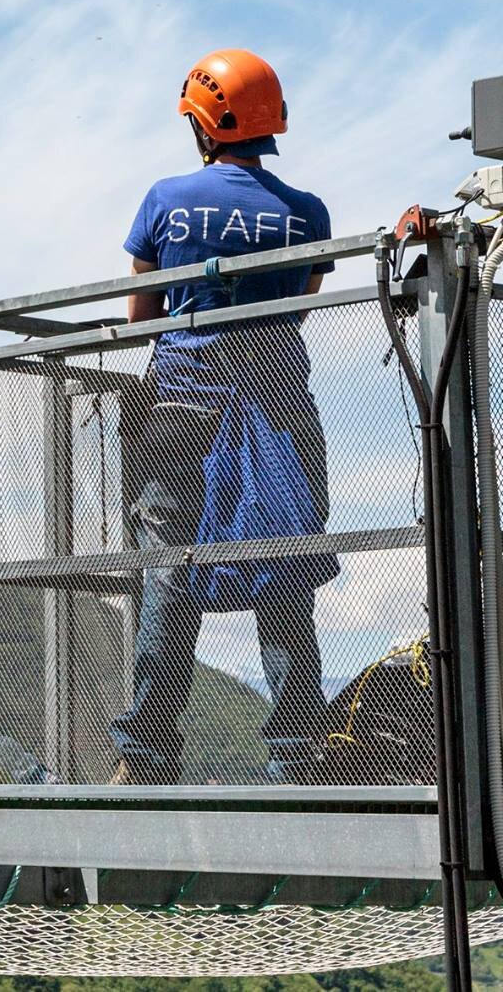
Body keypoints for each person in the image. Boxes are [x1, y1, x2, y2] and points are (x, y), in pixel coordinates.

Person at [109, 49, 337, 786]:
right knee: (284, 569)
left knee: (168, 574)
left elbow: (142, 314)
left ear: (203, 123)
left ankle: (146, 752)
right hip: (279, 408)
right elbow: (296, 307)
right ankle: (299, 751)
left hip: (184, 405)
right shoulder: (306, 211)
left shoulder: (166, 199)